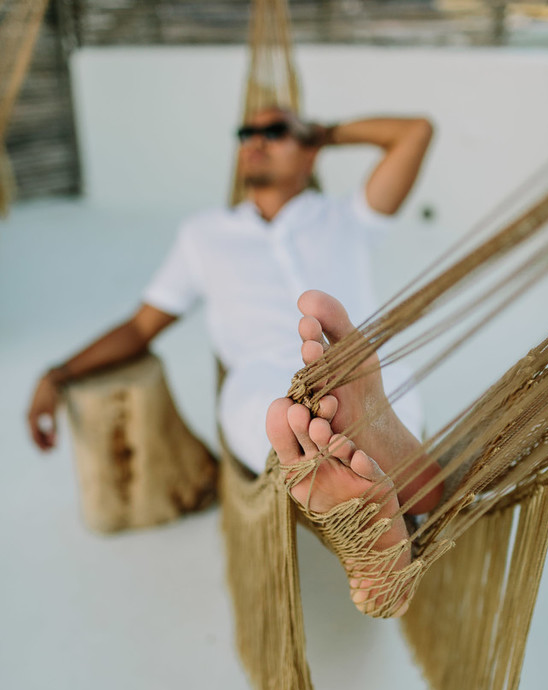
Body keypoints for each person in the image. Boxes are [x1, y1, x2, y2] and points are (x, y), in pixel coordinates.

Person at [26, 105, 442, 616]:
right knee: (271, 410)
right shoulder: (204, 234)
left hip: (354, 360)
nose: (256, 140)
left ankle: (359, 473)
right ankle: (381, 478)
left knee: (373, 378)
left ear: (310, 149)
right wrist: (57, 374)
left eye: (275, 131)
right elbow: (140, 327)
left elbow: (415, 133)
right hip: (264, 372)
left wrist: (324, 133)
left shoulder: (346, 215)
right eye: (247, 132)